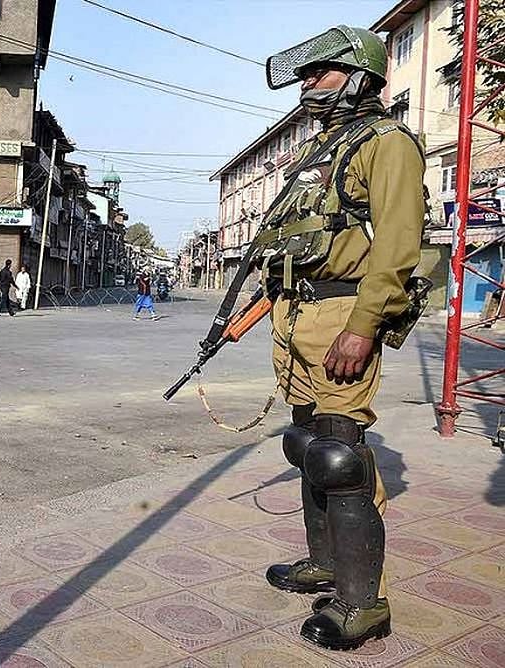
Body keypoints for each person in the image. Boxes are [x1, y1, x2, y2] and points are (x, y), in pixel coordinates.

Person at [254, 25, 426, 651]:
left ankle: (362, 604)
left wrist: (363, 326)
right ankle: (324, 566)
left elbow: (399, 244)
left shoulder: (388, 143)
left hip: (343, 314)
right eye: (304, 74)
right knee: (307, 445)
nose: (306, 84)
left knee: (341, 459)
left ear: (360, 76)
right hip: (297, 313)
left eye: (318, 72)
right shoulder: (324, 148)